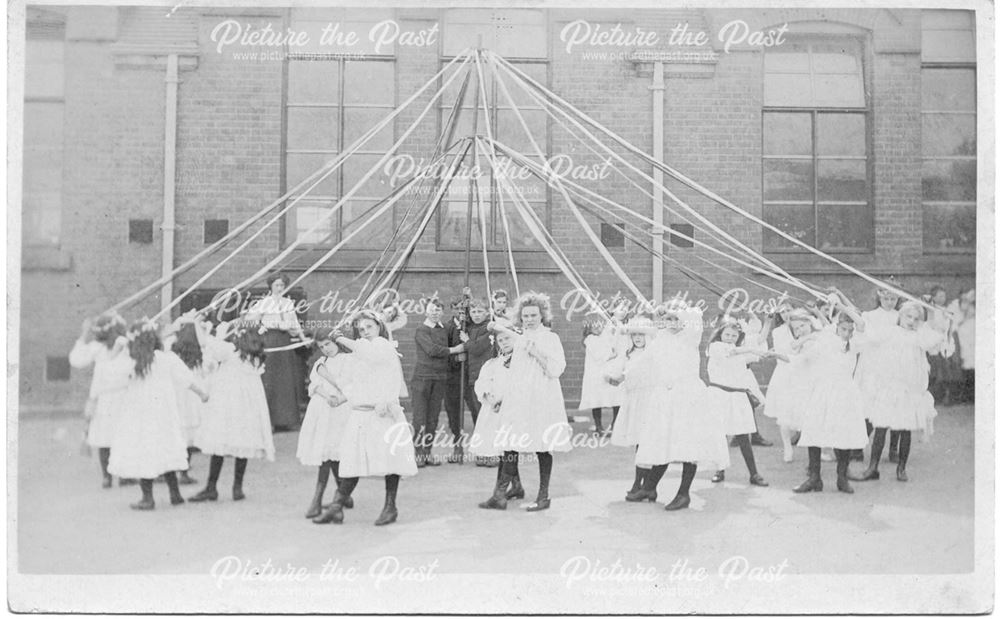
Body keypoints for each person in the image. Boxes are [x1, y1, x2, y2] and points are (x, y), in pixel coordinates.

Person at [312, 310, 418, 526]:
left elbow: (371, 355)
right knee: (353, 460)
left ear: (378, 326)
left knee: (390, 460)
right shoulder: (357, 355)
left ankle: (390, 507)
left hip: (384, 413)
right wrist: (340, 393)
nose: (365, 332)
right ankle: (336, 507)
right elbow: (351, 383)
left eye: (369, 327)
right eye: (361, 329)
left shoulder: (383, 345)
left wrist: (339, 337)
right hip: (361, 414)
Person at [620, 303, 730, 510]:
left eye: (675, 319)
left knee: (688, 444)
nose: (671, 323)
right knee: (662, 441)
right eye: (668, 319)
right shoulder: (662, 339)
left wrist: (670, 309)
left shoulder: (690, 336)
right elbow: (644, 361)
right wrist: (623, 377)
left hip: (688, 396)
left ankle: (683, 493)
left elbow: (695, 316)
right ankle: (650, 487)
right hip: (664, 397)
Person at [479, 292, 573, 511]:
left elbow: (556, 370)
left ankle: (543, 496)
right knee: (510, 442)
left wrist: (537, 353)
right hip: (519, 398)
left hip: (542, 398)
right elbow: (514, 372)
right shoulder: (519, 339)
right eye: (525, 315)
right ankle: (499, 495)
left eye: (533, 315)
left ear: (542, 316)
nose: (529, 319)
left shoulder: (551, 338)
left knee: (542, 445)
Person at [108, 320, 210, 510]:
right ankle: (175, 494)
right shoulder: (166, 358)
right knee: (166, 448)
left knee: (144, 449)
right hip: (164, 414)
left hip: (140, 415)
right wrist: (203, 393)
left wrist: (118, 349)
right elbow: (187, 379)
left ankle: (148, 498)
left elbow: (111, 375)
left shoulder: (133, 361)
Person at [850, 300, 946, 483]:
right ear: (900, 316)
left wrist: (934, 313)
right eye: (908, 316)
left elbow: (933, 339)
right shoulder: (890, 332)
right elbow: (869, 333)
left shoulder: (919, 336)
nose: (911, 321)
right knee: (880, 427)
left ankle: (901, 468)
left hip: (908, 390)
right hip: (889, 387)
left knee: (905, 430)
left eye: (915, 318)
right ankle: (872, 468)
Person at [189, 322, 276, 502]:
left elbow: (205, 343)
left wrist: (198, 323)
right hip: (247, 409)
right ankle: (237, 488)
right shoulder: (256, 359)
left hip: (228, 405)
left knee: (220, 442)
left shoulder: (229, 351)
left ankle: (211, 487)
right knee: (242, 443)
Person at [792, 296, 869, 495]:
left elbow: (860, 322)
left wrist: (840, 304)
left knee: (843, 434)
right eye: (844, 329)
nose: (848, 333)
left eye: (851, 330)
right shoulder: (828, 334)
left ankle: (842, 478)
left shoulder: (857, 342)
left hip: (845, 392)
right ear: (837, 326)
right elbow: (823, 326)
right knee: (815, 431)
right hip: (824, 389)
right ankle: (814, 478)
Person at [297, 327, 355, 519]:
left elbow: (346, 385)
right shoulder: (320, 362)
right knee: (326, 453)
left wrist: (331, 386)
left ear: (336, 342)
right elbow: (314, 386)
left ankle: (327, 498)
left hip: (341, 410)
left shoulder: (349, 360)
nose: (326, 349)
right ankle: (339, 496)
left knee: (335, 453)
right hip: (322, 410)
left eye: (328, 344)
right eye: (322, 346)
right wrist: (326, 394)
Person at [68, 313, 131, 488]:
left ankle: (107, 477)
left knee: (106, 436)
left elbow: (76, 359)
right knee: (119, 435)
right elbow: (76, 360)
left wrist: (84, 333)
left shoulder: (98, 347)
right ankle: (121, 475)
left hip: (106, 397)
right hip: (118, 396)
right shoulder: (122, 345)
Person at [705, 319, 770, 487]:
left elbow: (757, 351)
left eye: (734, 336)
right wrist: (750, 349)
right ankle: (720, 470)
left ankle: (754, 474)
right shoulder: (715, 347)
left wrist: (767, 324)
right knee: (721, 435)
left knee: (743, 437)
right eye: (727, 334)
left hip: (737, 397)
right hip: (719, 395)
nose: (730, 338)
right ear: (720, 334)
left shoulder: (740, 351)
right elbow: (732, 351)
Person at [245, 273, 306, 432]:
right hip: (270, 342)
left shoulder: (288, 303)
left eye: (282, 285)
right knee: (270, 379)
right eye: (276, 285)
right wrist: (264, 327)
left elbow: (294, 323)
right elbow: (249, 320)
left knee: (285, 379)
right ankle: (268, 421)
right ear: (271, 286)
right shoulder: (264, 303)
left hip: (284, 342)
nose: (279, 288)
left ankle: (286, 419)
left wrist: (302, 338)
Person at [410, 296, 465, 467]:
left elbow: (455, 341)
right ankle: (418, 454)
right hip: (422, 379)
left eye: (439, 310)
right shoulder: (421, 330)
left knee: (433, 418)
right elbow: (432, 350)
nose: (436, 312)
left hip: (440, 378)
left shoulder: (444, 329)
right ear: (426, 311)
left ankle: (427, 453)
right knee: (420, 418)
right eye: (432, 309)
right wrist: (455, 350)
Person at [470, 329, 524, 497]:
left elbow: (521, 387)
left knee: (509, 449)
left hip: (513, 410)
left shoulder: (522, 364)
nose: (505, 342)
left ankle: (499, 493)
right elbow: (481, 383)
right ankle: (516, 486)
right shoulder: (492, 363)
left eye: (508, 338)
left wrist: (504, 400)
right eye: (501, 340)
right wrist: (489, 397)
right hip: (494, 410)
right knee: (504, 450)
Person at [165, 314, 213, 485]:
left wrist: (179, 324)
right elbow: (206, 345)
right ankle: (183, 471)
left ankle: (169, 470)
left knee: (175, 434)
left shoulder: (171, 353)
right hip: (192, 401)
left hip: (176, 399)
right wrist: (200, 326)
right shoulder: (201, 357)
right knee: (188, 436)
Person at [856, 285, 903, 463]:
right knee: (868, 408)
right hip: (874, 367)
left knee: (895, 409)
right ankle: (858, 446)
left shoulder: (901, 316)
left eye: (893, 299)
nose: (890, 303)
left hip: (895, 367)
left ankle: (893, 450)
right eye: (886, 299)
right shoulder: (869, 316)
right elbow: (871, 338)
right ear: (879, 298)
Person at [460, 297, 496, 465]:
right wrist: (466, 298)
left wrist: (466, 341)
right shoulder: (471, 327)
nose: (476, 314)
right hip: (474, 377)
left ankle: (491, 453)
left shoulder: (489, 327)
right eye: (473, 311)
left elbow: (477, 348)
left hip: (486, 377)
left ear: (487, 312)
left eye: (480, 311)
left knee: (487, 415)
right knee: (478, 417)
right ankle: (482, 451)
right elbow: (461, 314)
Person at [578, 317, 623, 436]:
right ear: (588, 329)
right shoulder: (590, 339)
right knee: (596, 400)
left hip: (606, 372)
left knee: (615, 396)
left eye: (600, 326)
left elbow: (613, 338)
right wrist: (612, 355)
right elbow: (599, 356)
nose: (598, 328)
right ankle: (599, 426)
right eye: (594, 326)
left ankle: (615, 424)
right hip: (595, 375)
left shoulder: (603, 337)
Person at [926, 285, 962, 405]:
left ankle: (948, 396)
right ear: (934, 297)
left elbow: (952, 326)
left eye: (944, 295)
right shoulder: (931, 310)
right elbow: (932, 326)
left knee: (948, 369)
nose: (943, 298)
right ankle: (935, 397)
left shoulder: (947, 310)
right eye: (940, 296)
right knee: (936, 370)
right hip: (935, 343)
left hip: (946, 343)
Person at [952, 289, 976, 403]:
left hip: (972, 342)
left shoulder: (974, 319)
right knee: (966, 366)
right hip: (963, 343)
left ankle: (972, 395)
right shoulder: (958, 317)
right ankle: (966, 395)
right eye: (964, 302)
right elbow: (956, 327)